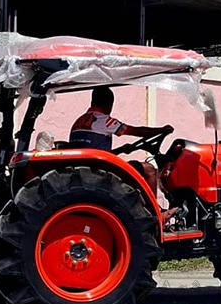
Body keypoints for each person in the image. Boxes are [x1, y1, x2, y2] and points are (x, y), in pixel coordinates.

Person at [70, 87, 176, 219]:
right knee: (149, 170)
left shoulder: (78, 122)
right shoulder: (104, 120)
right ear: (108, 103)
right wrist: (161, 130)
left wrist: (121, 150)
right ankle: (154, 214)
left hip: (86, 168)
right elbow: (137, 131)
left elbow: (93, 151)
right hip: (101, 171)